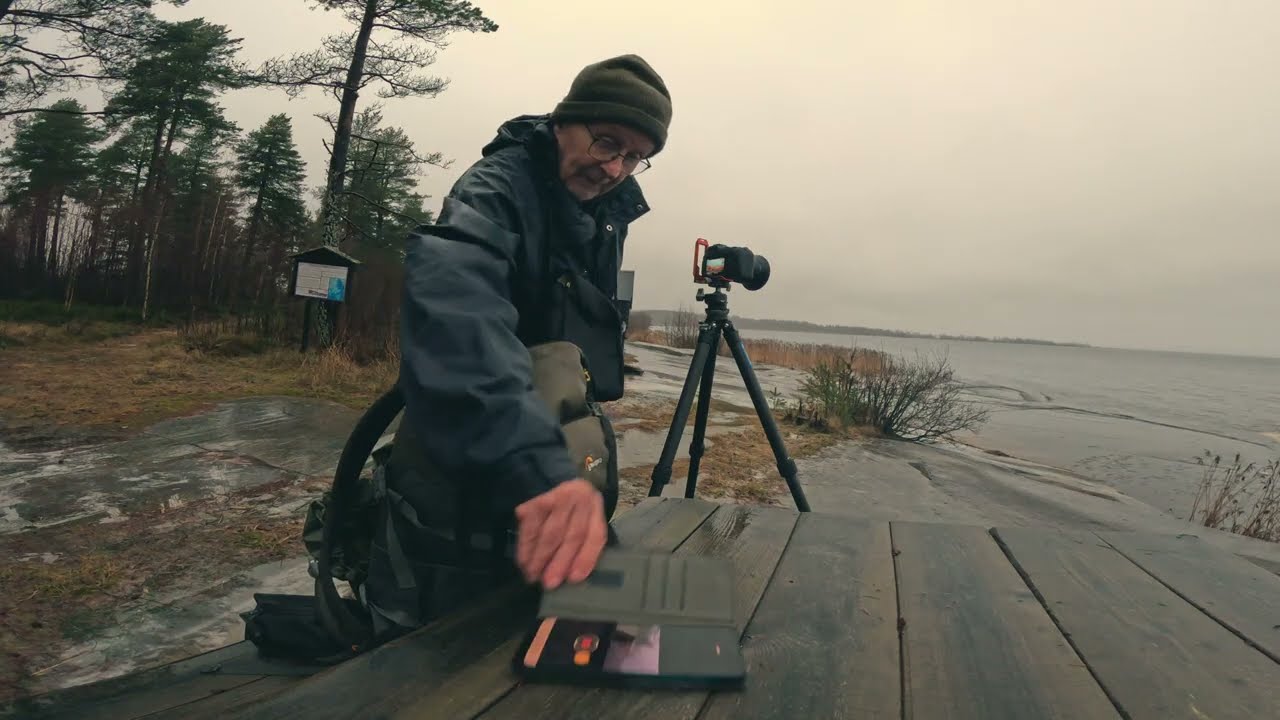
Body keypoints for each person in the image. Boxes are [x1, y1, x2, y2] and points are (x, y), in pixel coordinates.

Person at [361, 54, 673, 643]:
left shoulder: (602, 212)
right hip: (467, 470)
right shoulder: (494, 190)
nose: (614, 168)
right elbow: (459, 316)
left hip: (543, 474)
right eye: (606, 142)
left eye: (635, 157)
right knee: (429, 661)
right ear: (562, 123)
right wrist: (537, 468)